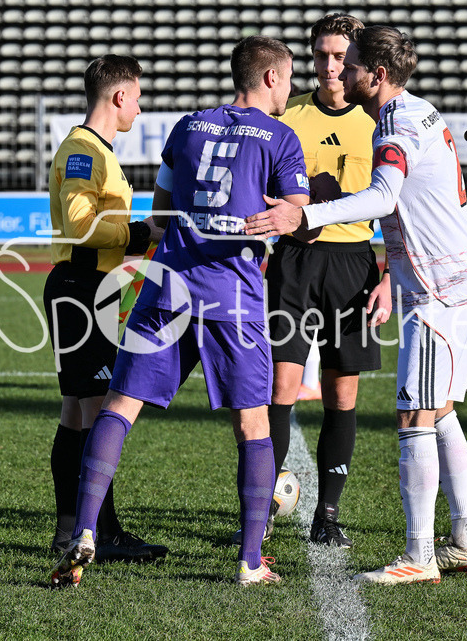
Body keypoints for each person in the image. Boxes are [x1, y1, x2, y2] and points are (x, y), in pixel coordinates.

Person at [50, 35, 311, 588]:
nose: (291, 88)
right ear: (269, 78)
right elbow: (293, 215)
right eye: (288, 78)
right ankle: (248, 561)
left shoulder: (187, 127)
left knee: (118, 408)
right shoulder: (282, 138)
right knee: (253, 423)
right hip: (232, 295)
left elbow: (160, 214)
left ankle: (85, 531)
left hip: (166, 286)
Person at [245, 25, 467, 585]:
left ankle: (419, 556)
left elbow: (383, 196)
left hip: (437, 290)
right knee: (442, 413)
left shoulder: (396, 124)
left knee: (412, 417)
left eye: (351, 63)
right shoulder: (417, 110)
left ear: (375, 75)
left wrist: (303, 215)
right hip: (458, 279)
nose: (340, 71)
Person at [237, 12, 382, 549]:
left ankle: (328, 513)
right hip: (294, 263)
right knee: (280, 387)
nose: (329, 65)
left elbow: (398, 203)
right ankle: (264, 509)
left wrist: (388, 272)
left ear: (357, 59)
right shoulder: (287, 116)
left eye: (340, 55)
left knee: (343, 394)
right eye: (320, 54)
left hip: (354, 265)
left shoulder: (379, 119)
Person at [43, 54, 167, 564]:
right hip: (82, 289)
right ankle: (101, 531)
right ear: (118, 96)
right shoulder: (82, 151)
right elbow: (79, 224)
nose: (138, 108)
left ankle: (73, 528)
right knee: (97, 411)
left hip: (91, 285)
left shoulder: (94, 150)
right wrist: (142, 233)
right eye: (136, 97)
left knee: (78, 412)